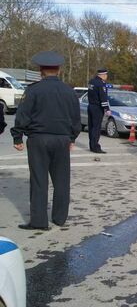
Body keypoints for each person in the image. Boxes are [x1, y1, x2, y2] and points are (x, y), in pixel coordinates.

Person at [11, 51, 81, 230]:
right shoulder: (69, 91)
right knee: (62, 180)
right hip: (62, 140)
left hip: (38, 139)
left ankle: (39, 221)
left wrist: (17, 135)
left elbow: (23, 115)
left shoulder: (33, 90)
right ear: (58, 70)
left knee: (39, 180)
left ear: (41, 70)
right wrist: (72, 137)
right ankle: (59, 218)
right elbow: (76, 118)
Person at [87, 68, 111, 154]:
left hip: (90, 106)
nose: (107, 76)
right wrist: (107, 109)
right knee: (96, 128)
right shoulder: (101, 84)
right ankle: (96, 147)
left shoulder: (91, 81)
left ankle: (92, 145)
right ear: (103, 75)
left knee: (91, 127)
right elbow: (103, 97)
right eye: (106, 75)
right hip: (97, 108)